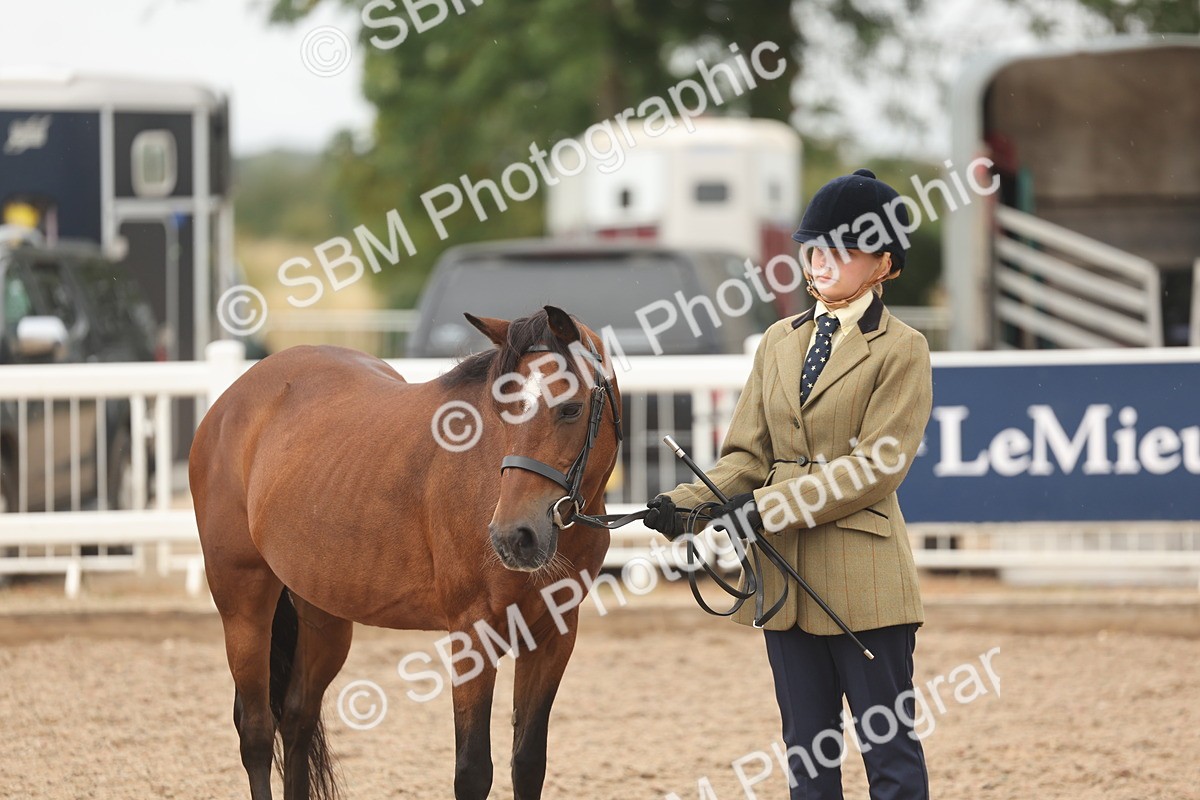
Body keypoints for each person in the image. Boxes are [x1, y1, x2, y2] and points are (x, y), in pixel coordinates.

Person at [645, 168, 933, 800]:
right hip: (785, 582)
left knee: (889, 754)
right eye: (813, 248)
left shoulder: (902, 349)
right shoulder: (779, 341)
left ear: (883, 264)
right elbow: (747, 457)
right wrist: (684, 504)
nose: (819, 262)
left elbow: (875, 467)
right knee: (806, 755)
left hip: (864, 582)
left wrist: (764, 508)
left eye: (841, 250)